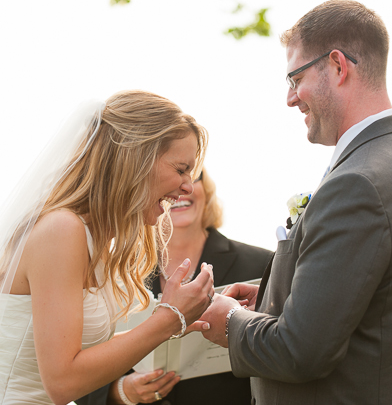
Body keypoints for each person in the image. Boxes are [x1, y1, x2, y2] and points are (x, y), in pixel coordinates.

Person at [201, 0, 392, 404]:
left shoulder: (359, 183)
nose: (290, 98)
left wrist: (229, 321)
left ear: (337, 66)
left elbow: (300, 352)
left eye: (295, 77)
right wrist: (269, 297)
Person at [0, 91, 215, 405]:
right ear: (135, 159)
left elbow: (77, 353)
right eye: (180, 169)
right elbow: (62, 383)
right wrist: (166, 320)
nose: (188, 185)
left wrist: (176, 323)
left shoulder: (93, 238)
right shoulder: (61, 230)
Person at [76, 168, 273, 405]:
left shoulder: (262, 264)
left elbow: (281, 350)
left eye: (192, 176)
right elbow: (77, 365)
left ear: (206, 189)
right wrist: (120, 390)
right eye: (165, 180)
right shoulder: (114, 271)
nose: (181, 190)